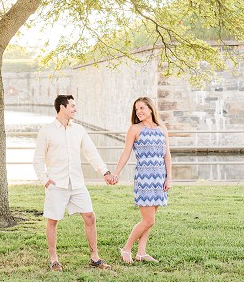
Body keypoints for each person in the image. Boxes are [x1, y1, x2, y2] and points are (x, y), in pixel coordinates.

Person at [33, 94, 116, 272]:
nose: (75, 109)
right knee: (53, 221)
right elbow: (38, 159)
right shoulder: (46, 131)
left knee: (90, 216)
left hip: (77, 183)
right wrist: (45, 181)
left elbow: (91, 153)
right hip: (56, 184)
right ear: (62, 107)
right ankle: (54, 259)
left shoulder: (79, 130)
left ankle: (95, 257)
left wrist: (105, 172)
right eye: (72, 106)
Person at [111, 96, 172, 264]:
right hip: (144, 177)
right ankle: (126, 249)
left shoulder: (162, 129)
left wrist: (169, 177)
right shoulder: (134, 129)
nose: (138, 112)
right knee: (148, 220)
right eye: (136, 109)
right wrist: (116, 172)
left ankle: (141, 253)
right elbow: (126, 153)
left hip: (159, 178)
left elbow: (167, 154)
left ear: (151, 109)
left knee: (149, 221)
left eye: (142, 108)